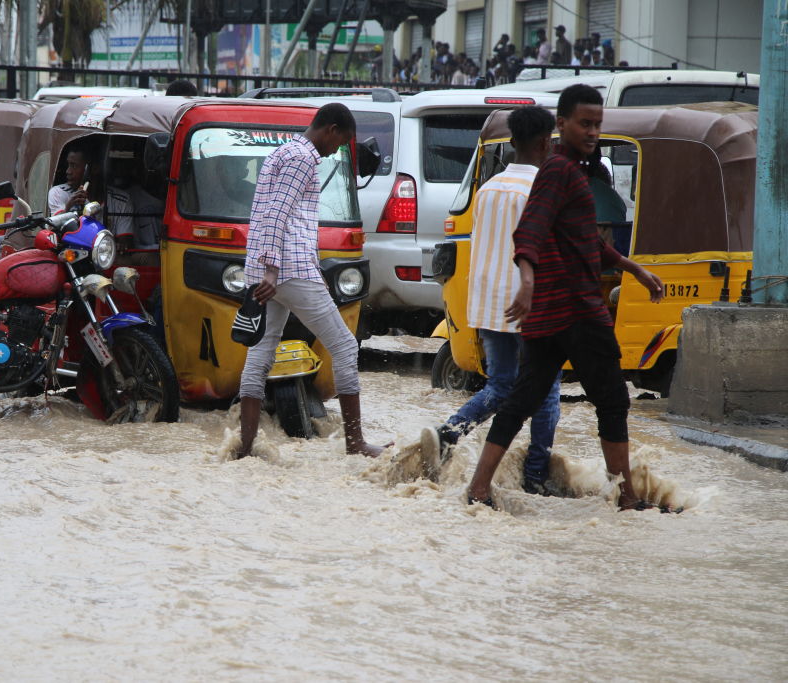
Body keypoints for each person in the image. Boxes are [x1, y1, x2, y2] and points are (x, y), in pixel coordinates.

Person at [463, 84, 666, 511]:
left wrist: (633, 268)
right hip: (573, 309)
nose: (592, 132)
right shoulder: (558, 172)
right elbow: (530, 229)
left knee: (520, 400)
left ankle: (479, 489)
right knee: (613, 400)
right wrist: (528, 277)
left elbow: (586, 241)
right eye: (584, 123)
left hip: (546, 317)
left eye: (597, 124)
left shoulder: (567, 170)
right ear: (560, 125)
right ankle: (627, 499)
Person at [417, 106, 561, 493]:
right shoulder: (543, 189)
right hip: (529, 306)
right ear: (547, 142)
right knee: (547, 394)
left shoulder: (489, 189)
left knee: (500, 386)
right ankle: (535, 475)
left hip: (489, 303)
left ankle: (449, 433)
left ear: (512, 142)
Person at [236, 103, 383, 460]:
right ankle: (355, 443)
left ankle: (245, 448)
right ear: (330, 130)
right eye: (341, 141)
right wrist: (273, 269)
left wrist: (265, 269)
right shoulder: (302, 159)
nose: (336, 150)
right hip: (290, 270)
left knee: (259, 357)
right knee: (345, 347)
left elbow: (268, 211)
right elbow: (277, 213)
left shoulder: (283, 152)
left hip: (267, 269)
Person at [47, 148, 91, 214]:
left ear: (86, 169)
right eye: (69, 165)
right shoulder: (57, 192)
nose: (68, 171)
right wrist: (69, 206)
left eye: (74, 166)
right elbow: (56, 221)